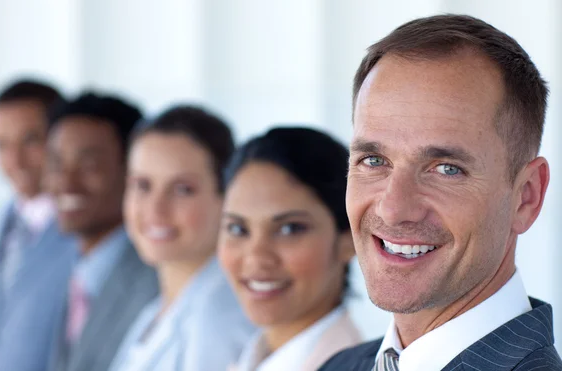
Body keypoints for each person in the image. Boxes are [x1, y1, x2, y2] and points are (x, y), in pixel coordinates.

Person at [319, 14, 562, 371]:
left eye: (447, 169)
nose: (392, 209)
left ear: (525, 197)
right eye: (374, 159)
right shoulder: (339, 366)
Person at [108, 105, 255, 371]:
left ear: (225, 196)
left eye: (182, 189)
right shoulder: (156, 309)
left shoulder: (220, 319)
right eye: (143, 185)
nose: (155, 209)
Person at [219, 127, 363, 371]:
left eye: (289, 229)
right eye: (237, 229)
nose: (256, 258)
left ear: (349, 241)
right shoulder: (254, 356)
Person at [45, 92, 158, 371]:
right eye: (57, 163)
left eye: (88, 165)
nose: (67, 182)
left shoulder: (154, 281)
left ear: (132, 171)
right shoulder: (75, 269)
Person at [0, 79, 76, 371]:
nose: (15, 160)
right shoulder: (8, 221)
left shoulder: (83, 230)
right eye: (1, 144)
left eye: (30, 140)